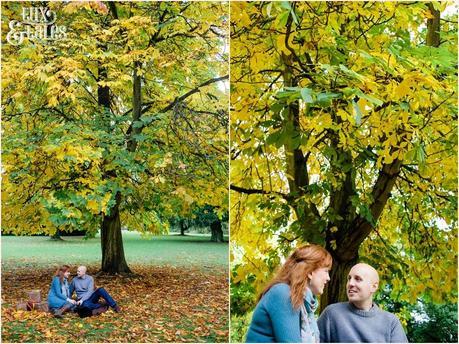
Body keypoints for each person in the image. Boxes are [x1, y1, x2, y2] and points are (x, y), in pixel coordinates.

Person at [246, 244, 332, 343]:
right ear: (310, 272)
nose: (328, 278)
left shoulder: (305, 304)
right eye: (326, 271)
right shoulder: (283, 293)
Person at [317, 263, 408, 343]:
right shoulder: (331, 314)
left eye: (358, 279)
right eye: (349, 279)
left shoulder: (391, 322)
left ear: (374, 287)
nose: (350, 283)